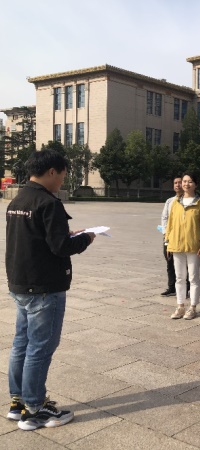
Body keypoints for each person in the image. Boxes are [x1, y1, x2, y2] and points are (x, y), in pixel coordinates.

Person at [5, 149, 95, 430]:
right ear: (52, 171)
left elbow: (35, 238)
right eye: (63, 175)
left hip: (21, 282)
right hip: (44, 286)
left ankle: (18, 402)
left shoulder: (18, 200)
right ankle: (35, 410)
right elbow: (61, 247)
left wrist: (64, 234)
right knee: (40, 347)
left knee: (22, 343)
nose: (62, 181)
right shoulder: (48, 202)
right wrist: (86, 238)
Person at [165, 172, 200, 320]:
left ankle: (193, 307)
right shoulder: (175, 202)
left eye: (190, 181)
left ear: (195, 184)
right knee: (179, 277)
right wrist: (167, 242)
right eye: (184, 181)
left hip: (194, 245)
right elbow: (170, 224)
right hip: (176, 244)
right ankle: (180, 306)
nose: (186, 184)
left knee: (193, 277)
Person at [160, 177, 183, 297]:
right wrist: (165, 233)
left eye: (180, 182)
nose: (177, 185)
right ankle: (171, 287)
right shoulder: (170, 201)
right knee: (169, 261)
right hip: (169, 237)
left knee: (184, 263)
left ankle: (186, 287)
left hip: (183, 237)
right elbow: (164, 217)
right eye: (175, 183)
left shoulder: (189, 200)